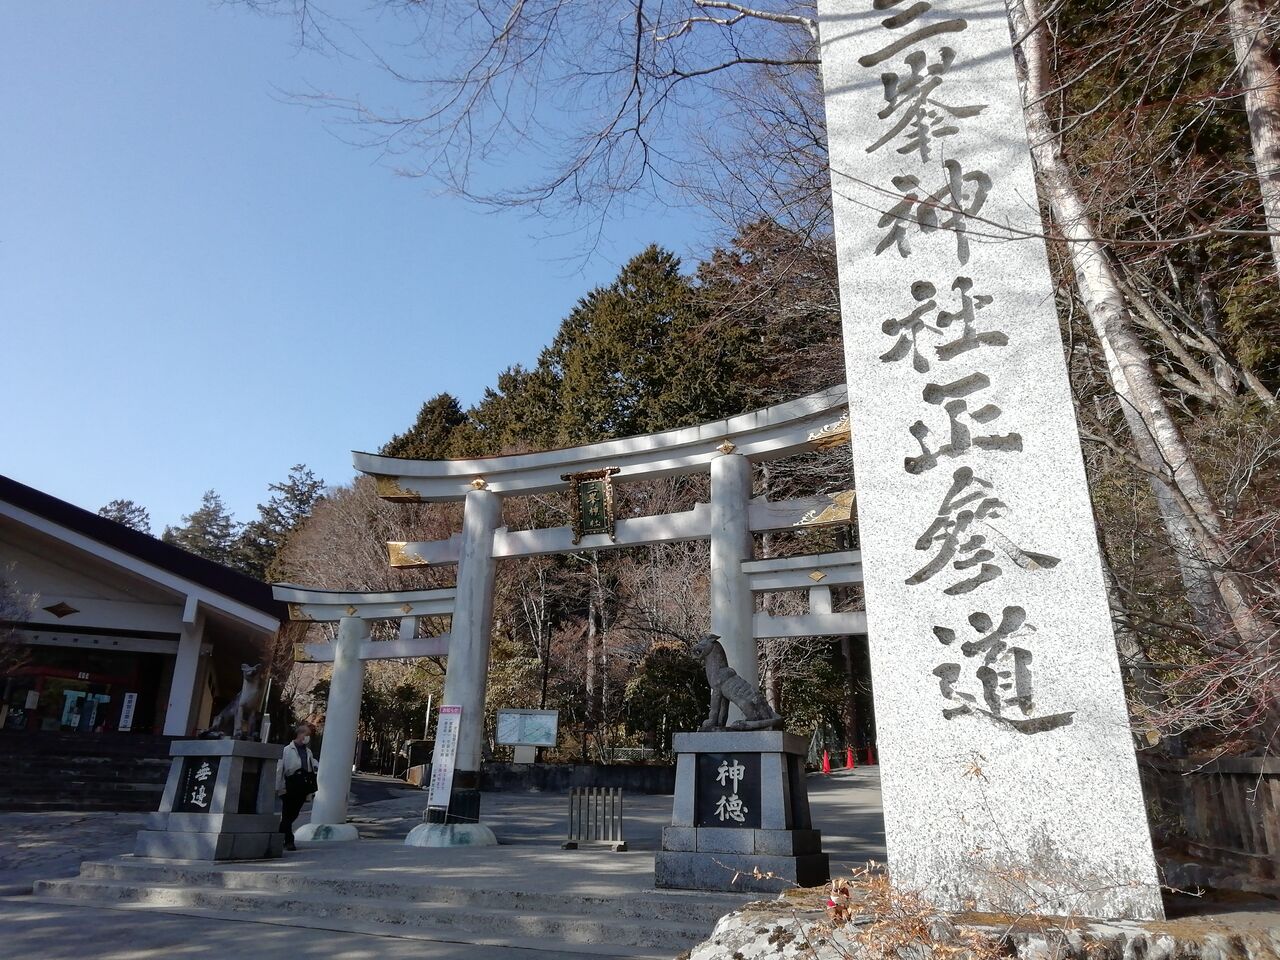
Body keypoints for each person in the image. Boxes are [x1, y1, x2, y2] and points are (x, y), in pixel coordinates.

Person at [277, 722, 318, 851]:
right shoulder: (287, 750)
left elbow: (311, 765)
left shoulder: (308, 751)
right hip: (290, 784)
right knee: (287, 813)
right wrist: (279, 787)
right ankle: (289, 840)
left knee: (293, 814)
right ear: (300, 734)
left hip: (303, 785)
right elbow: (280, 769)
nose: (308, 737)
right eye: (307, 734)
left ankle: (278, 833)